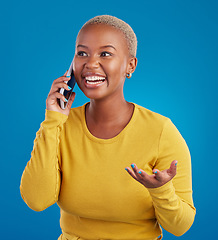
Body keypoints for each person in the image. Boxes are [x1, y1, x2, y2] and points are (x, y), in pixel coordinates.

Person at [20, 15, 196, 240]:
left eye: (105, 54)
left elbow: (180, 226)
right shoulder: (60, 126)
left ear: (130, 65)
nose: (91, 64)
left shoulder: (161, 131)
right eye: (82, 53)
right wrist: (53, 120)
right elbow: (36, 200)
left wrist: (160, 190)